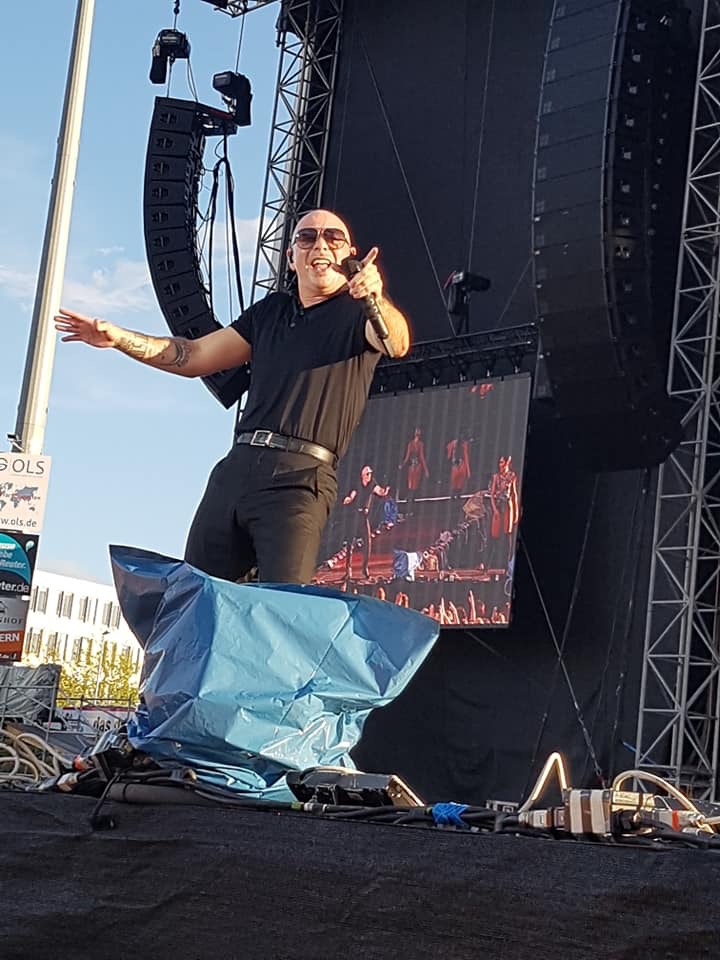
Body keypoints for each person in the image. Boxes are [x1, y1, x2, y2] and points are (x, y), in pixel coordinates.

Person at [55, 209, 410, 584]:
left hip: (300, 477)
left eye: (332, 238)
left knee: (281, 600)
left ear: (349, 254)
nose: (320, 244)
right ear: (291, 257)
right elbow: (194, 356)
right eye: (307, 237)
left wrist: (374, 297)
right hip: (237, 468)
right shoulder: (270, 312)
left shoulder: (359, 313)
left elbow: (396, 342)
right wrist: (118, 339)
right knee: (195, 592)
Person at [342, 464, 391, 579]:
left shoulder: (372, 483)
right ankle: (348, 570)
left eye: (370, 474)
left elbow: (379, 491)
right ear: (363, 475)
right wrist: (349, 499)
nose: (370, 476)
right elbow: (353, 494)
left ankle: (365, 569)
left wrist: (385, 491)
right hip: (354, 516)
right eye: (368, 474)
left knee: (368, 542)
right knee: (350, 543)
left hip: (364, 517)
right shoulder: (357, 484)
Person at [398, 427, 429, 514]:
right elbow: (407, 457)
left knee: (414, 488)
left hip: (417, 467)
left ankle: (411, 509)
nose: (418, 433)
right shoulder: (411, 444)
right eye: (417, 431)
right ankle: (409, 508)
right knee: (411, 488)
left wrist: (425, 469)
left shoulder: (420, 444)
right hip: (412, 467)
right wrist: (402, 465)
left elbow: (422, 457)